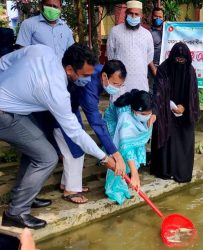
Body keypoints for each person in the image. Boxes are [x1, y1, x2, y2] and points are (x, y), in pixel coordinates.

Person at [0, 44, 116, 229]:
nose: (88, 79)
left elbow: (4, 62)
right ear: (70, 69)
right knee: (47, 157)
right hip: (4, 113)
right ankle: (16, 212)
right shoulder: (56, 90)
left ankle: (24, 196)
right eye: (85, 75)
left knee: (34, 149)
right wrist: (104, 157)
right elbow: (75, 132)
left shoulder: (43, 50)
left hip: (14, 108)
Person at [55, 59, 128, 204]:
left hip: (72, 107)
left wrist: (114, 154)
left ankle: (67, 183)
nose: (117, 88)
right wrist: (116, 154)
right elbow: (96, 123)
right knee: (74, 148)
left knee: (79, 145)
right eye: (115, 84)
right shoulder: (90, 87)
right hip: (59, 109)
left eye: (121, 85)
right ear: (104, 76)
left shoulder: (102, 70)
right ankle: (70, 190)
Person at [150, 42, 200, 183]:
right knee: (165, 134)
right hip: (165, 109)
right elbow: (158, 92)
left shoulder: (190, 71)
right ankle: (164, 170)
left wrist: (184, 107)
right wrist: (169, 105)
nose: (179, 62)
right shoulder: (164, 69)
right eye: (177, 59)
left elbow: (193, 94)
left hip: (183, 111)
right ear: (172, 57)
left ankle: (180, 170)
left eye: (182, 60)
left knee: (184, 135)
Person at [104, 90, 153, 205]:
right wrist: (135, 174)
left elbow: (133, 142)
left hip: (129, 124)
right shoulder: (125, 115)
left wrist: (153, 116)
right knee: (119, 153)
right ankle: (115, 186)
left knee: (134, 144)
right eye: (144, 114)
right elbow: (126, 145)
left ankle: (126, 177)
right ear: (135, 110)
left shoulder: (145, 105)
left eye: (149, 113)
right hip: (112, 124)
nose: (147, 117)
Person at [107, 0, 154, 99]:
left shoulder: (147, 35)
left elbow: (149, 58)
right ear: (126, 13)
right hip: (119, 83)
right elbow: (111, 56)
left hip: (140, 83)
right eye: (131, 13)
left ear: (141, 16)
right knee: (119, 111)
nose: (133, 16)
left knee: (139, 110)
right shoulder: (115, 31)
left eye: (136, 14)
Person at [148, 7, 165, 93]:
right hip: (152, 69)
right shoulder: (148, 33)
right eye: (155, 16)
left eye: (160, 17)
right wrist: (153, 69)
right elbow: (146, 53)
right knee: (152, 92)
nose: (158, 19)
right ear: (152, 16)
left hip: (165, 68)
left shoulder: (167, 32)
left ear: (163, 18)